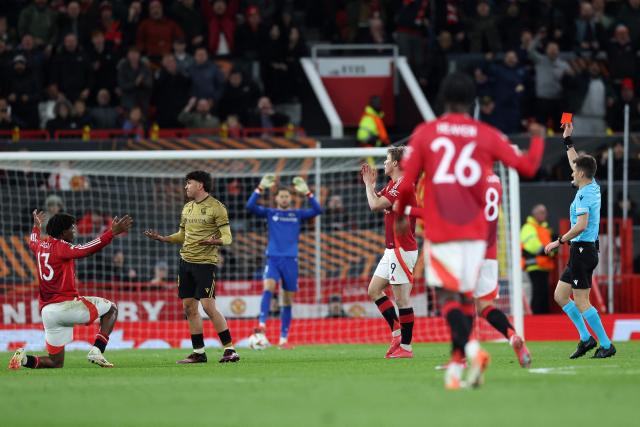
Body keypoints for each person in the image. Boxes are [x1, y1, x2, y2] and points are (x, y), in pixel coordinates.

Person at [395, 72, 544, 389]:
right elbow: (529, 167)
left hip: (442, 228)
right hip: (478, 237)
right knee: (466, 301)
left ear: (443, 99)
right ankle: (455, 366)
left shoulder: (426, 133)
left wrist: (402, 213)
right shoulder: (486, 134)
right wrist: (540, 137)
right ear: (472, 101)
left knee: (448, 299)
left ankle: (472, 352)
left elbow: (406, 184)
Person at [407, 171, 532, 368]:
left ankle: (462, 357)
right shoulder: (496, 181)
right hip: (489, 254)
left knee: (456, 303)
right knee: (485, 307)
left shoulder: (469, 181)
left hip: (469, 250)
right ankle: (512, 335)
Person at [8, 210, 132, 370]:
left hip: (48, 312)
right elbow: (86, 249)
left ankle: (23, 359)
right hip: (66, 306)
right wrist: (111, 233)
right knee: (111, 309)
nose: (75, 230)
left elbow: (32, 241)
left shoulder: (39, 246)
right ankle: (97, 351)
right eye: (72, 228)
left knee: (55, 363)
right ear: (63, 232)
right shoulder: (62, 247)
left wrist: (36, 228)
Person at [144, 171, 239, 364]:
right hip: (185, 262)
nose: (186, 186)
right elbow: (182, 235)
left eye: (189, 183)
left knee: (208, 306)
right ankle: (199, 352)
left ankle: (230, 350)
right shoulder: (187, 208)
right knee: (189, 308)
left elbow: (228, 237)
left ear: (200, 185)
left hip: (205, 264)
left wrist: (216, 241)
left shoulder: (217, 207)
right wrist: (164, 238)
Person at [544, 122, 616, 359]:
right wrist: (567, 140)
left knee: (581, 300)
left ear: (582, 174)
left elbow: (582, 225)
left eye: (575, 171)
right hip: (582, 250)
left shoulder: (585, 194)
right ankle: (586, 339)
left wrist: (559, 241)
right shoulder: (591, 185)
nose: (571, 172)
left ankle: (605, 344)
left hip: (583, 250)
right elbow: (576, 162)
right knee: (560, 295)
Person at [246, 175, 321, 349]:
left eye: (287, 196)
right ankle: (262, 323)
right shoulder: (271, 213)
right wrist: (259, 188)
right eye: (282, 196)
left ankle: (283, 340)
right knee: (269, 287)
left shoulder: (297, 214)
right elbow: (250, 206)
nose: (285, 199)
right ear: (276, 198)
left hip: (291, 260)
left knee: (287, 301)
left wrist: (308, 193)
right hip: (273, 258)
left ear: (291, 198)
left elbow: (318, 210)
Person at [361, 147, 418, 359]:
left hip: (402, 249)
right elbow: (375, 201)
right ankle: (396, 332)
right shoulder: (393, 184)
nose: (384, 163)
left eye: (386, 160)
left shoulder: (403, 185)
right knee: (374, 290)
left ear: (395, 163)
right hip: (392, 249)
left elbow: (375, 204)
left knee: (401, 299)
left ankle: (406, 346)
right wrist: (372, 188)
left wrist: (368, 185)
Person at [520, 204, 555, 314]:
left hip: (544, 265)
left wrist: (550, 251)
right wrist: (548, 252)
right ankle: (537, 315)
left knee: (543, 293)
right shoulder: (528, 227)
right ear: (535, 214)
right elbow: (533, 245)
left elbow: (549, 246)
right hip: (534, 265)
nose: (545, 214)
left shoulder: (544, 228)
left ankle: (542, 315)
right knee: (538, 292)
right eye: (541, 212)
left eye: (545, 212)